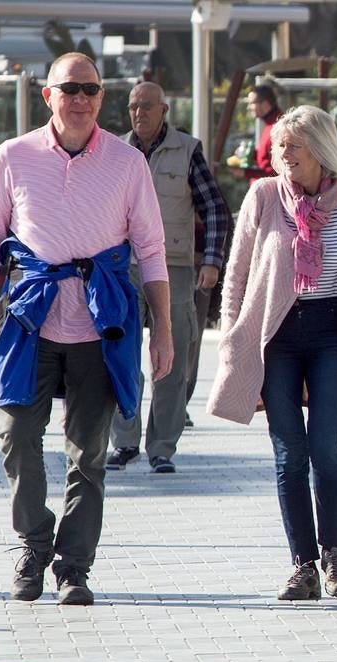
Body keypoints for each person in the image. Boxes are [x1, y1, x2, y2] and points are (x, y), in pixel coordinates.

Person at [0, 52, 174, 607]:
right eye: (69, 89)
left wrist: (165, 333)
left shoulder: (127, 164)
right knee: (16, 437)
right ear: (47, 95)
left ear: (102, 97)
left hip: (100, 324)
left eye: (90, 90)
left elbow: (151, 250)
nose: (80, 99)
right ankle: (34, 544)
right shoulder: (14, 156)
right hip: (31, 320)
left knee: (89, 454)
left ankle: (74, 566)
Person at [208, 106, 337, 601]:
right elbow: (238, 274)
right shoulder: (264, 197)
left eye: (292, 146)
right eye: (279, 146)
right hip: (277, 338)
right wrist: (233, 339)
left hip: (334, 334)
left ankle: (335, 553)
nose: (281, 155)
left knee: (326, 447)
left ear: (320, 149)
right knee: (290, 454)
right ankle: (303, 564)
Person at [106, 82, 230, 474]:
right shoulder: (114, 151)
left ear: (165, 109)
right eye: (132, 107)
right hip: (123, 267)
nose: (139, 113)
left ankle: (162, 447)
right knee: (120, 355)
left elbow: (215, 209)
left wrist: (211, 261)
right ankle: (124, 443)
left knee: (171, 361)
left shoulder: (188, 151)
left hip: (173, 265)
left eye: (146, 106)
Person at [242, 84, 284, 181]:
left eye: (252, 103)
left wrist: (246, 172)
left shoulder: (278, 127)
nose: (249, 107)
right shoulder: (271, 125)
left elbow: (280, 171)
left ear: (265, 104)